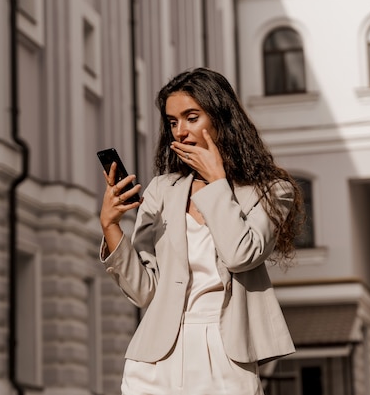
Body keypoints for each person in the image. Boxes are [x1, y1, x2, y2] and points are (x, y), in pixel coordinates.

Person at [99, 67, 304, 395]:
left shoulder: (271, 191)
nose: (179, 131)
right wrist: (110, 225)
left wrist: (217, 181)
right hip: (154, 358)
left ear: (221, 119)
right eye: (172, 121)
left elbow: (240, 255)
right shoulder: (162, 190)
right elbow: (143, 291)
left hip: (226, 352)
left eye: (191, 117)